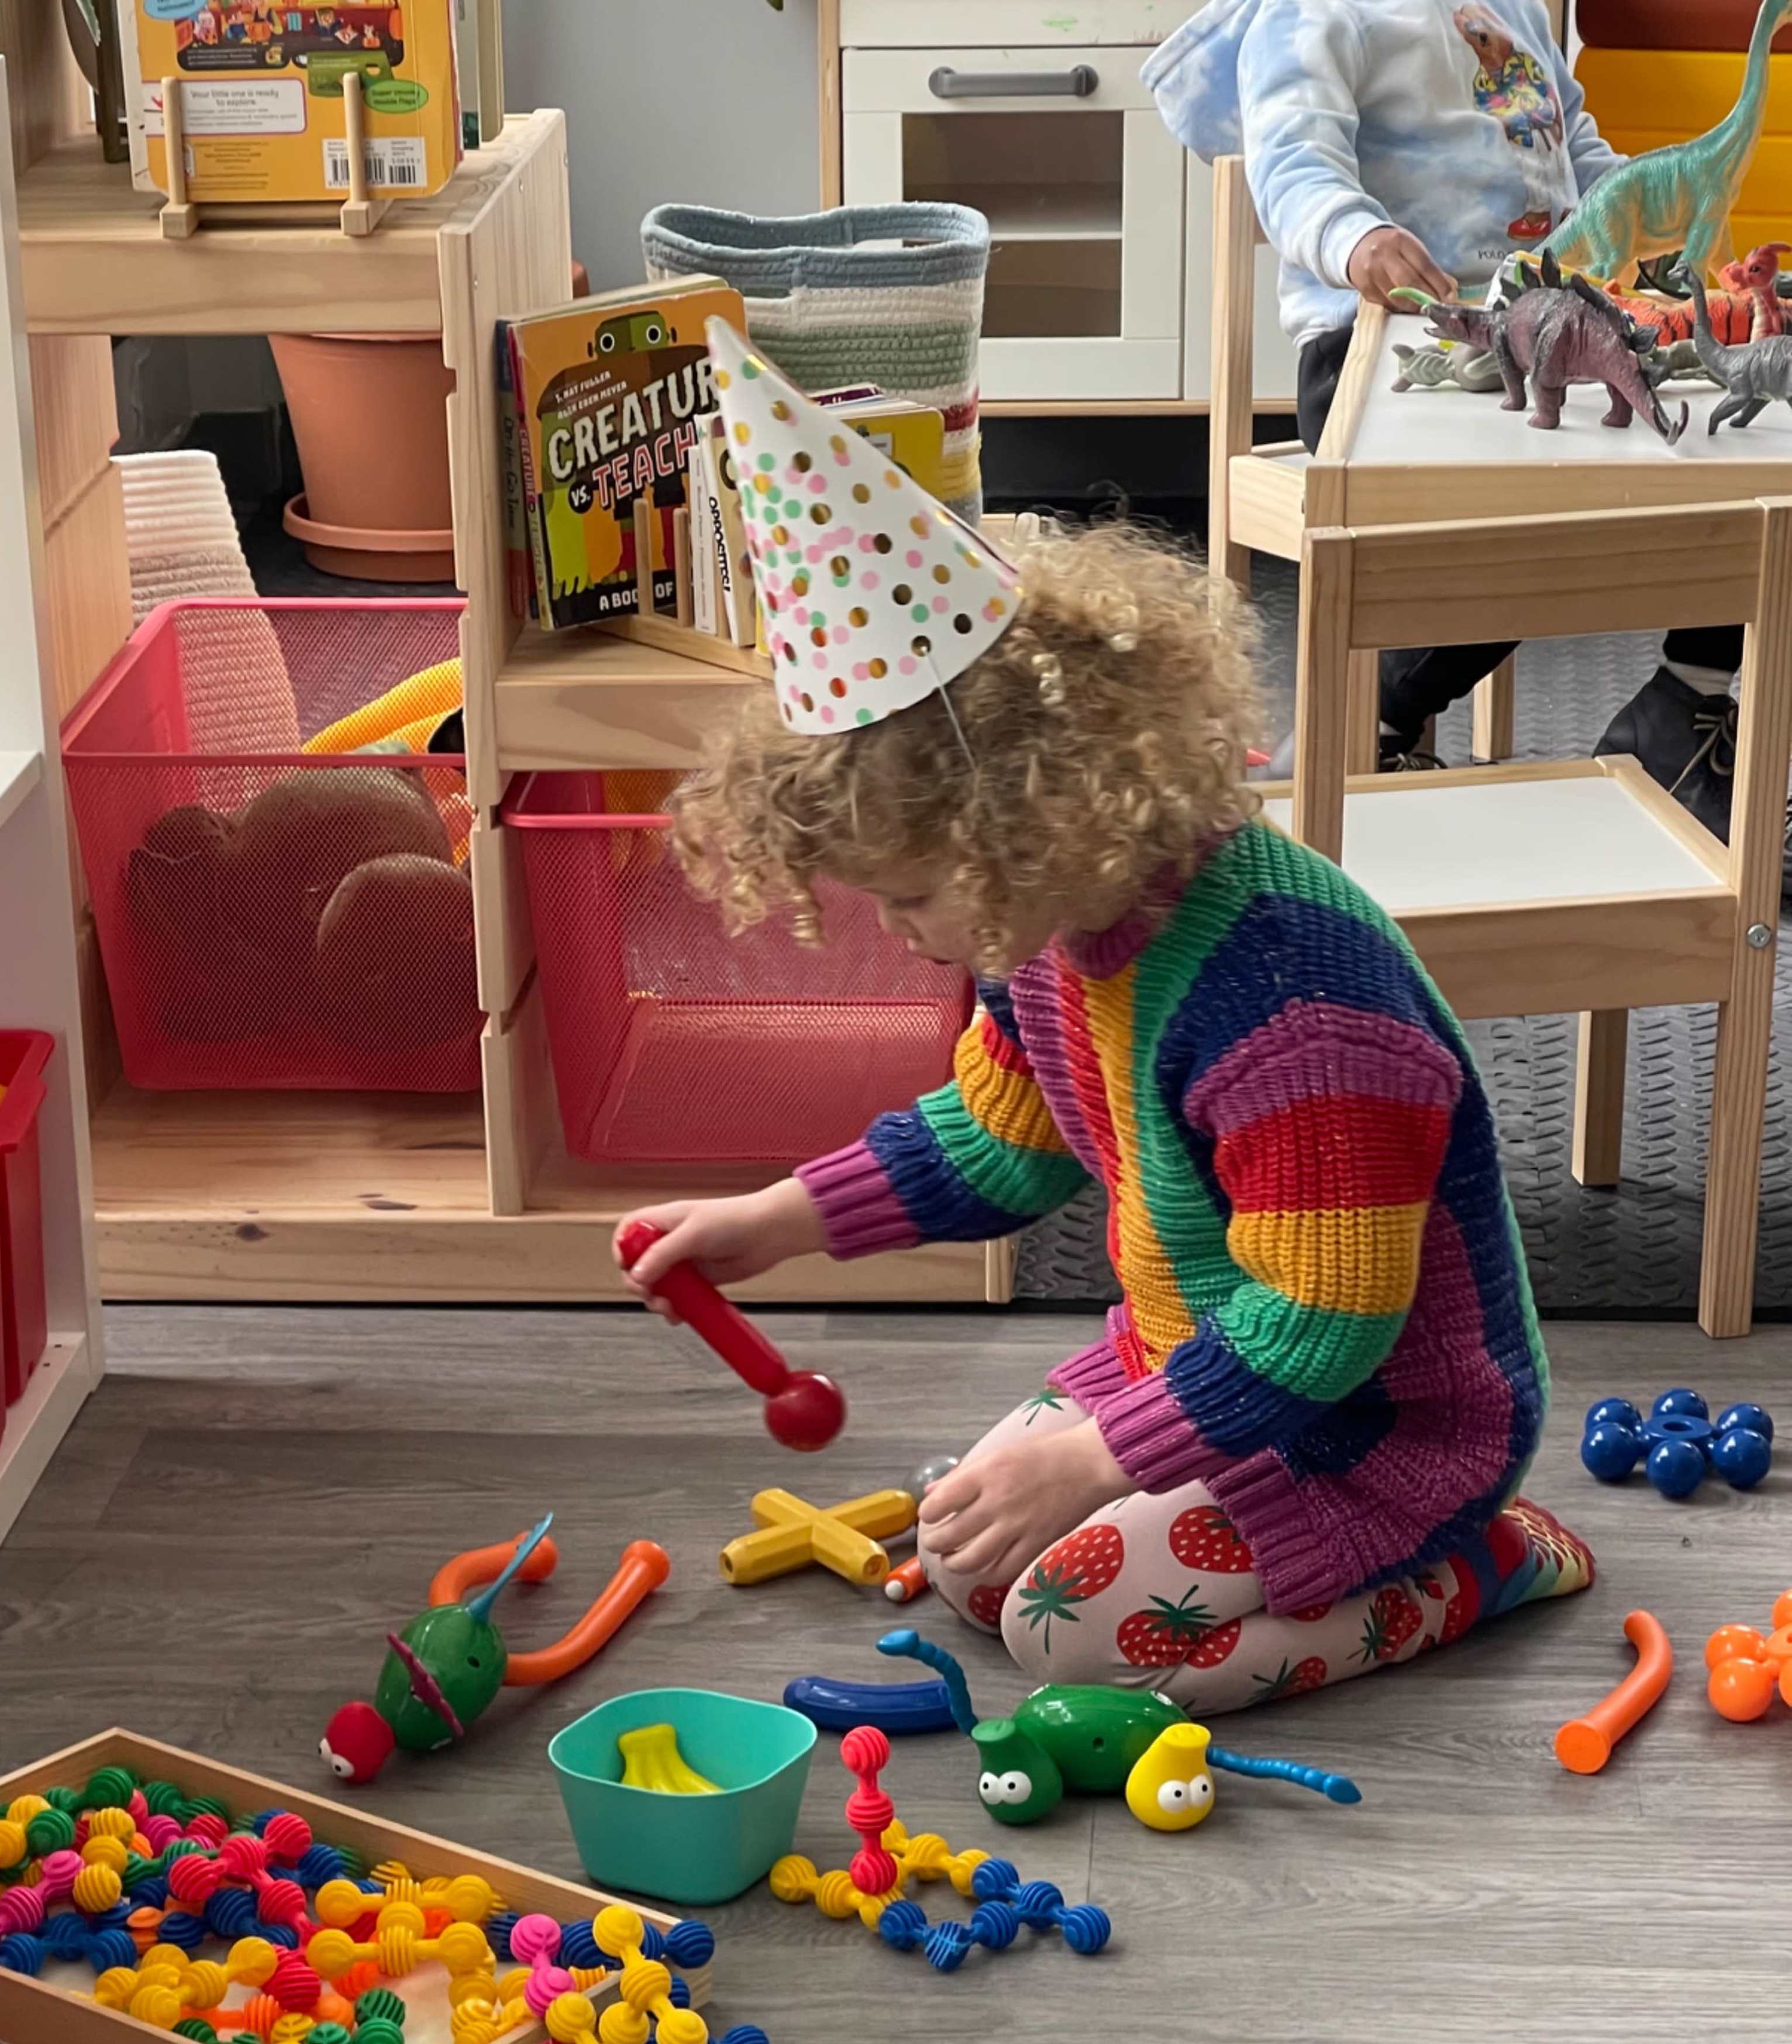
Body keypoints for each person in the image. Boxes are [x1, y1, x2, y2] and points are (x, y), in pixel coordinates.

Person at [621, 329, 1593, 1711]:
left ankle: (1477, 1564)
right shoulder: (1050, 932)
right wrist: (774, 1219)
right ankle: (1152, 1505)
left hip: (1370, 1421)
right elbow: (993, 1142)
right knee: (971, 1559)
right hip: (1195, 1363)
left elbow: (1322, 1322)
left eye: (906, 896)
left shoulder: (1294, 1003)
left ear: (1022, 818)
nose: (900, 934)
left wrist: (1092, 1459)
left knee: (1066, 1632)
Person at [1143, 0, 1790, 881]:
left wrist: (1658, 202)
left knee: (1739, 440)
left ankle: (1689, 700)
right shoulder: (1315, 16)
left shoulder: (1510, 8)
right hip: (1390, 352)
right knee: (1533, 521)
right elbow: (1292, 165)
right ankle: (1366, 714)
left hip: (1555, 316)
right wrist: (1356, 235)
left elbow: (1581, 162)